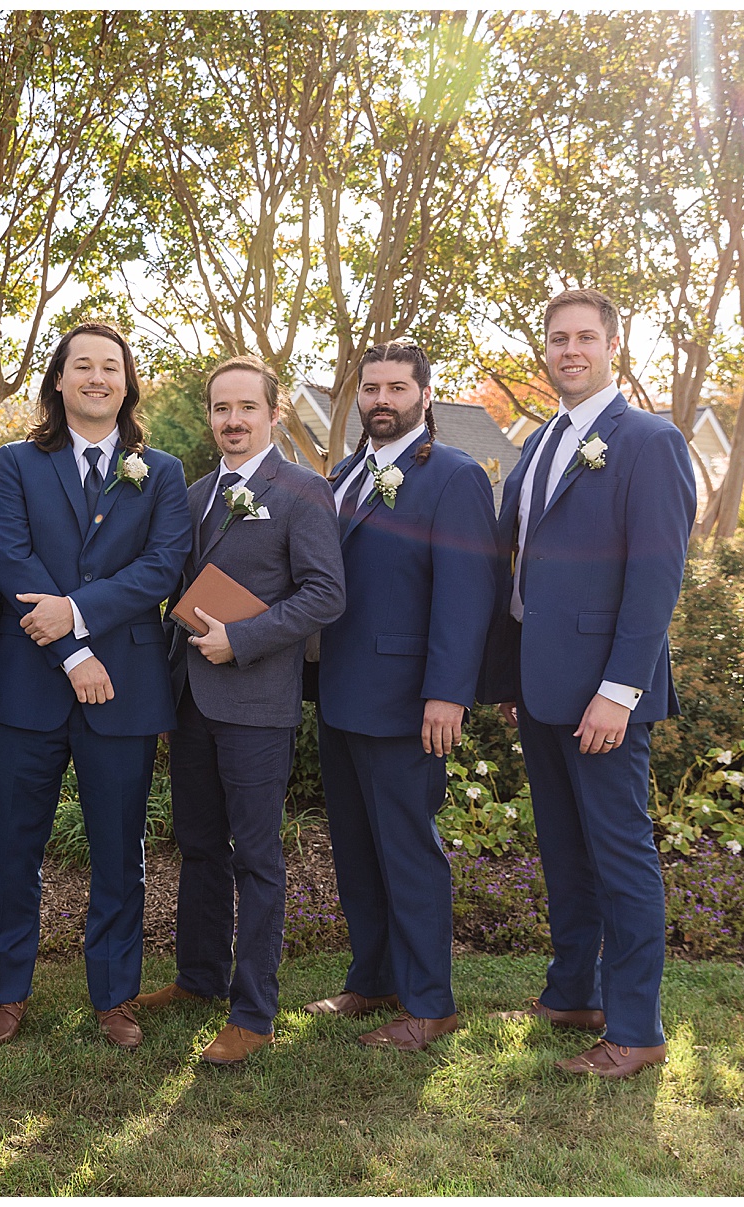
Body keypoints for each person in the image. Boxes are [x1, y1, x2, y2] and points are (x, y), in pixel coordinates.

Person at [478, 288, 695, 1078]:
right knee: (565, 851)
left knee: (620, 854)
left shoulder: (648, 440)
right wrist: (508, 670)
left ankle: (636, 1029)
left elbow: (655, 578)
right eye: (557, 338)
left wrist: (621, 690)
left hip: (605, 692)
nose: (569, 350)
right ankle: (574, 991)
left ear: (612, 346)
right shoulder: (540, 442)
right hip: (540, 686)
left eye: (583, 338)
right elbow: (519, 568)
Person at [0, 321, 192, 1049]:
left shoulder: (159, 471)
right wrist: (72, 650)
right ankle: (6, 991)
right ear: (59, 380)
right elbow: (10, 560)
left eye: (111, 367)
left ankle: (114, 994)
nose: (97, 377)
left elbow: (162, 568)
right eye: (83, 366)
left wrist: (75, 611)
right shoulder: (14, 462)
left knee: (119, 850)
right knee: (14, 846)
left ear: (127, 383)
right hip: (31, 684)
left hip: (124, 686)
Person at [132, 355, 344, 1065]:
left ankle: (253, 1010)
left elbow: (324, 593)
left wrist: (243, 638)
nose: (232, 420)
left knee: (257, 856)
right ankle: (198, 978)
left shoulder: (303, 490)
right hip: (190, 699)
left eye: (246, 407)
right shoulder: (192, 494)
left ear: (272, 414)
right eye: (221, 408)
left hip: (257, 702)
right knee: (197, 845)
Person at [305, 340, 496, 1051]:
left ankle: (431, 1002)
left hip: (410, 702)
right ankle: (375, 978)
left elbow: (466, 595)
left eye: (395, 387)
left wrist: (447, 693)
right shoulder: (343, 475)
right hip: (341, 695)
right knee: (357, 849)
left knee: (410, 851)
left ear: (424, 395)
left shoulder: (454, 477)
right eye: (370, 387)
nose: (381, 399)